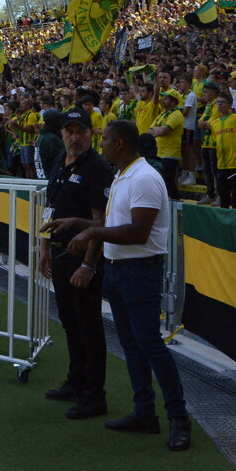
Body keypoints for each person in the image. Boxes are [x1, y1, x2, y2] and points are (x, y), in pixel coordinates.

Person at [47, 120, 191, 452]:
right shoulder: (124, 176)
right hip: (119, 269)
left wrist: (92, 233)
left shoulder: (144, 178)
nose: (103, 145)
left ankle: (178, 418)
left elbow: (138, 232)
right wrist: (78, 223)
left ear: (121, 144)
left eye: (107, 140)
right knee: (131, 344)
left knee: (150, 345)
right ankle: (144, 412)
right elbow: (113, 224)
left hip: (141, 270)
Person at [38, 108, 112, 420]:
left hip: (82, 258)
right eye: (69, 131)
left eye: (80, 131)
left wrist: (90, 266)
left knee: (89, 325)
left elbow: (101, 222)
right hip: (58, 252)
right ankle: (76, 381)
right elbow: (50, 207)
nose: (74, 137)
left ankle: (94, 395)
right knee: (70, 322)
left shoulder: (96, 167)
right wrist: (43, 245)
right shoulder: (59, 160)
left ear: (92, 133)